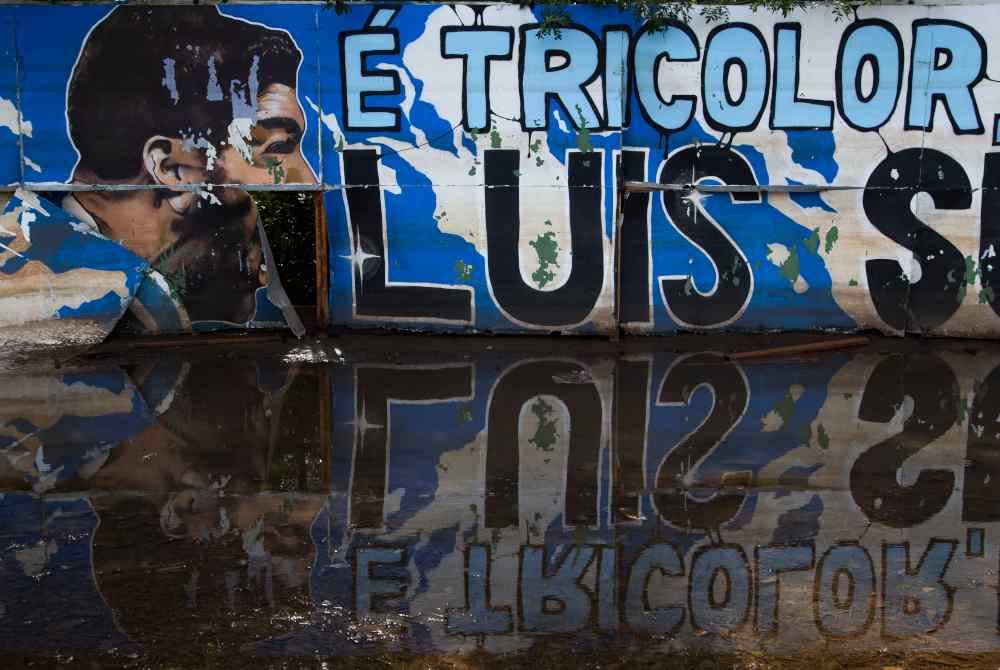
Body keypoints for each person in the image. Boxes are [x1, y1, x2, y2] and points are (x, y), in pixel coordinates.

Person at [59, 5, 317, 328]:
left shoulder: (70, 268)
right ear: (172, 168)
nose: (308, 178)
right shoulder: (36, 284)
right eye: (277, 147)